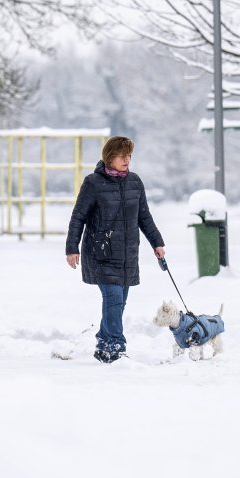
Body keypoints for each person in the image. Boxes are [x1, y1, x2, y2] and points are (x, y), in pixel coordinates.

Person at [65, 136, 165, 363]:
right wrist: (72, 247)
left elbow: (144, 216)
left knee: (119, 302)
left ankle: (103, 342)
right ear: (109, 157)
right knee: (113, 299)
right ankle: (116, 346)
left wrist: (157, 242)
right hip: (101, 252)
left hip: (127, 253)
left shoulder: (134, 182)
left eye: (129, 155)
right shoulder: (93, 183)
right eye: (122, 155)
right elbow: (78, 216)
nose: (126, 159)